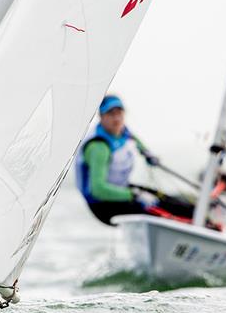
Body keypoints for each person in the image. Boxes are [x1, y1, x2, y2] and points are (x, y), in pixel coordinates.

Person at [76, 95, 195, 225]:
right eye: (111, 114)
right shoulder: (99, 147)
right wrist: (133, 195)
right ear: (101, 117)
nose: (116, 118)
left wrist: (147, 153)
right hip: (103, 205)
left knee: (172, 203)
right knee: (157, 214)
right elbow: (98, 190)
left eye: (119, 113)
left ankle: (202, 221)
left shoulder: (124, 132)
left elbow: (136, 142)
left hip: (123, 190)